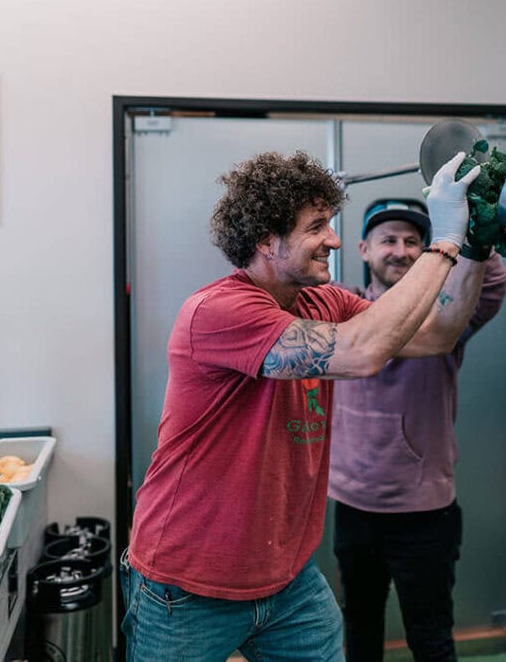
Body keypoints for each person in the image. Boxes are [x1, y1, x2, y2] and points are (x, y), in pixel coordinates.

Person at [122, 149, 486, 662]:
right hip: (189, 583)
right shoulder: (218, 311)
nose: (334, 241)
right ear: (268, 240)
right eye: (317, 227)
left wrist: (472, 247)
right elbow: (361, 352)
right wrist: (442, 242)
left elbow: (434, 335)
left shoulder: (326, 300)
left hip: (288, 580)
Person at [327, 198, 506, 661]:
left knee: (430, 638)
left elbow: (492, 285)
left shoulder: (445, 318)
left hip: (424, 513)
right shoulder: (341, 314)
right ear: (364, 249)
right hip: (353, 506)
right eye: (389, 240)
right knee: (360, 630)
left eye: (413, 242)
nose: (401, 251)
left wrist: (471, 235)